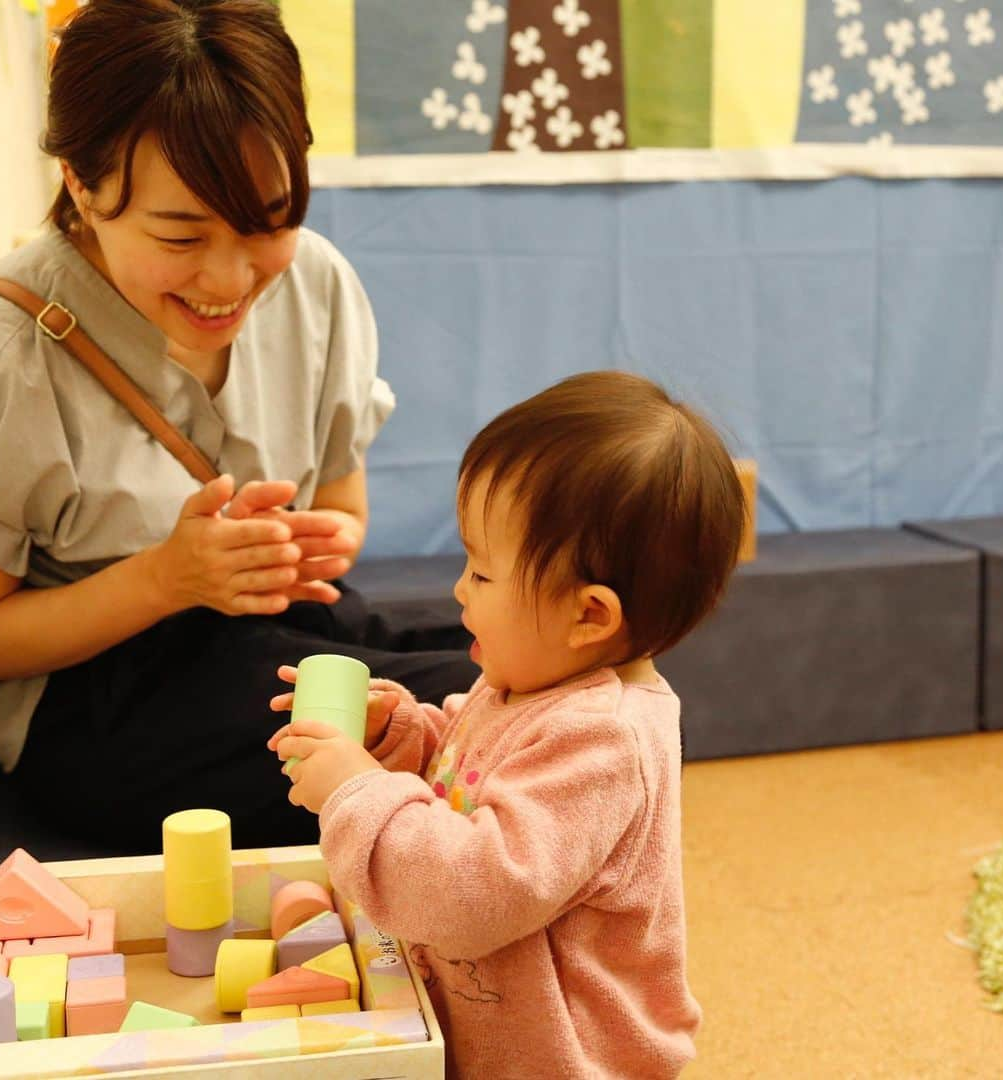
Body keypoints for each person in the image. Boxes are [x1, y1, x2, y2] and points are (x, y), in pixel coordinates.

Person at [0, 0, 476, 853]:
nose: (230, 277)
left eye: (270, 221)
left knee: (526, 680)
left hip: (276, 638)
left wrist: (312, 546)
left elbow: (342, 512)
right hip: (94, 703)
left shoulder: (317, 284)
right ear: (80, 181)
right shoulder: (10, 350)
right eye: (181, 236)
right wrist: (166, 580)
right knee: (464, 724)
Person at [269, 370, 746, 1078]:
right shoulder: (529, 684)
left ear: (589, 615)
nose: (460, 588)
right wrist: (395, 736)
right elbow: (469, 775)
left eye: (483, 574)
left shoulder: (603, 739)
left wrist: (357, 790)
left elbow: (471, 893)